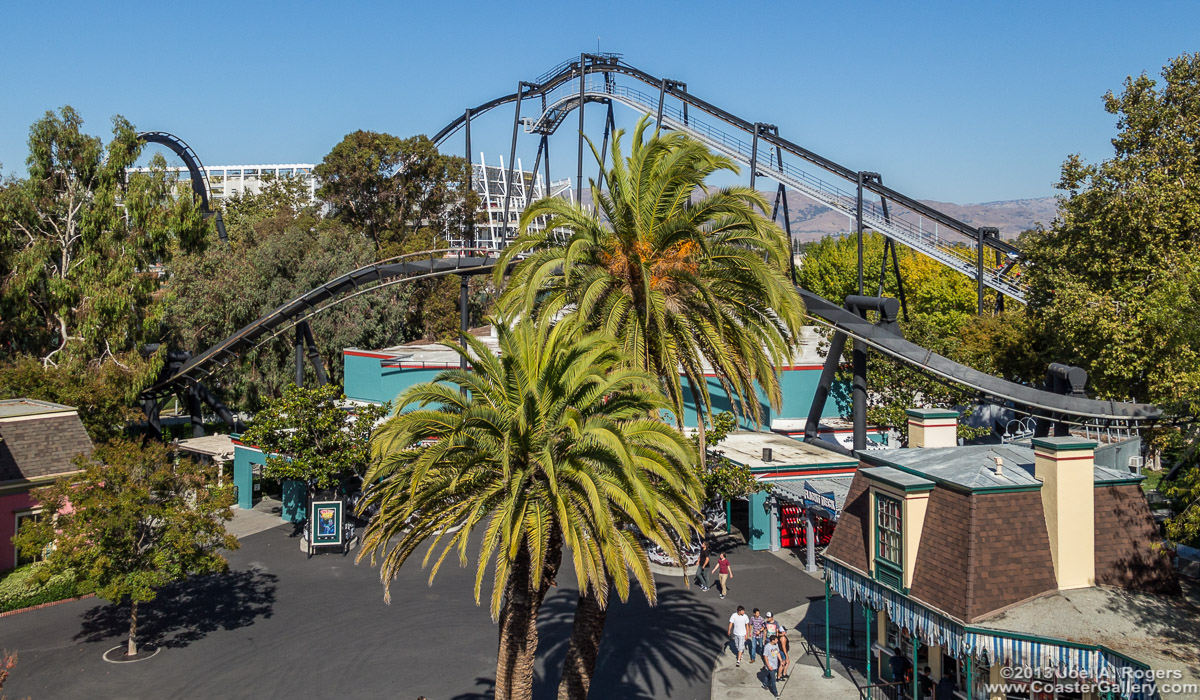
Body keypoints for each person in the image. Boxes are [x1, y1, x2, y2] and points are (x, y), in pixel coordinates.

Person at [763, 612, 790, 679]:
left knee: (776, 659)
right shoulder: (783, 639)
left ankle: (782, 674)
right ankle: (779, 676)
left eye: (769, 617)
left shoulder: (776, 624)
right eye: (767, 617)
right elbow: (783, 648)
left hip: (774, 644)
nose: (767, 618)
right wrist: (787, 656)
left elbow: (777, 633)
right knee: (782, 662)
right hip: (776, 648)